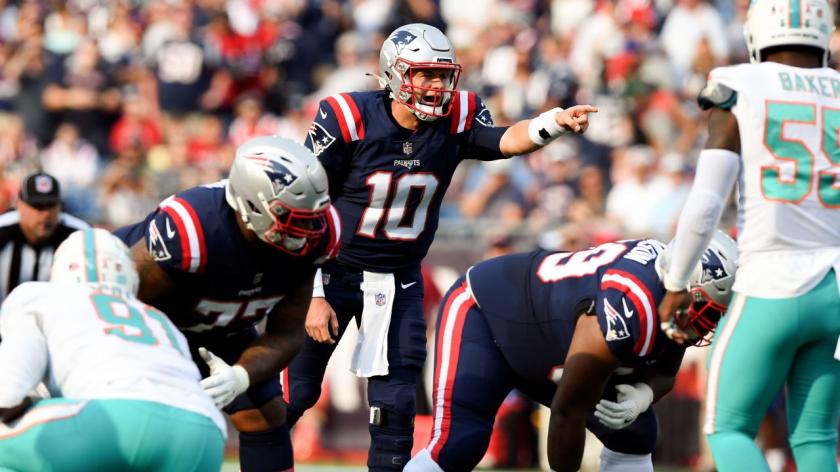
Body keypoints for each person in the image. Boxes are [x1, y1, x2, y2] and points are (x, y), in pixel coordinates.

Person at [286, 22, 597, 470]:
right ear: (394, 74)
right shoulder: (348, 117)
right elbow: (306, 204)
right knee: (294, 393)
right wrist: (313, 291)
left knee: (396, 405)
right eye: (425, 74)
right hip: (333, 271)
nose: (436, 86)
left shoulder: (459, 116)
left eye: (443, 75)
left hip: (398, 280)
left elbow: (505, 140)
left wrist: (554, 122)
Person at [657, 1, 840, 470]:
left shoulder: (739, 84)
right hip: (837, 286)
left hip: (772, 280)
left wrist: (677, 281)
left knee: (727, 428)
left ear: (757, 31)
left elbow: (707, 201)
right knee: (817, 439)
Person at [403, 232, 738, 472]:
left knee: (635, 432)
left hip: (549, 338)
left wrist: (643, 395)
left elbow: (664, 373)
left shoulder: (670, 296)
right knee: (459, 444)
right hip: (485, 313)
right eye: (705, 311)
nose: (706, 325)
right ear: (680, 287)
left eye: (714, 315)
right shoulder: (628, 305)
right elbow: (567, 411)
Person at [114, 135, 340, 472]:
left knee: (264, 412)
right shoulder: (193, 229)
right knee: (146, 418)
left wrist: (240, 376)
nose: (308, 230)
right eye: (293, 217)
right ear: (252, 207)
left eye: (312, 217)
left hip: (217, 323)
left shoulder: (318, 238)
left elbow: (288, 332)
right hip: (142, 319)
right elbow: (123, 307)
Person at [0, 228, 225, 471]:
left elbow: (8, 391)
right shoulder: (157, 318)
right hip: (203, 432)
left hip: (114, 419)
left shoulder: (40, 295)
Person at [0, 171, 88, 304]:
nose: (46, 214)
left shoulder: (79, 236)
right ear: (20, 205)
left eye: (51, 205)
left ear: (60, 206)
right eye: (38, 206)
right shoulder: (3, 231)